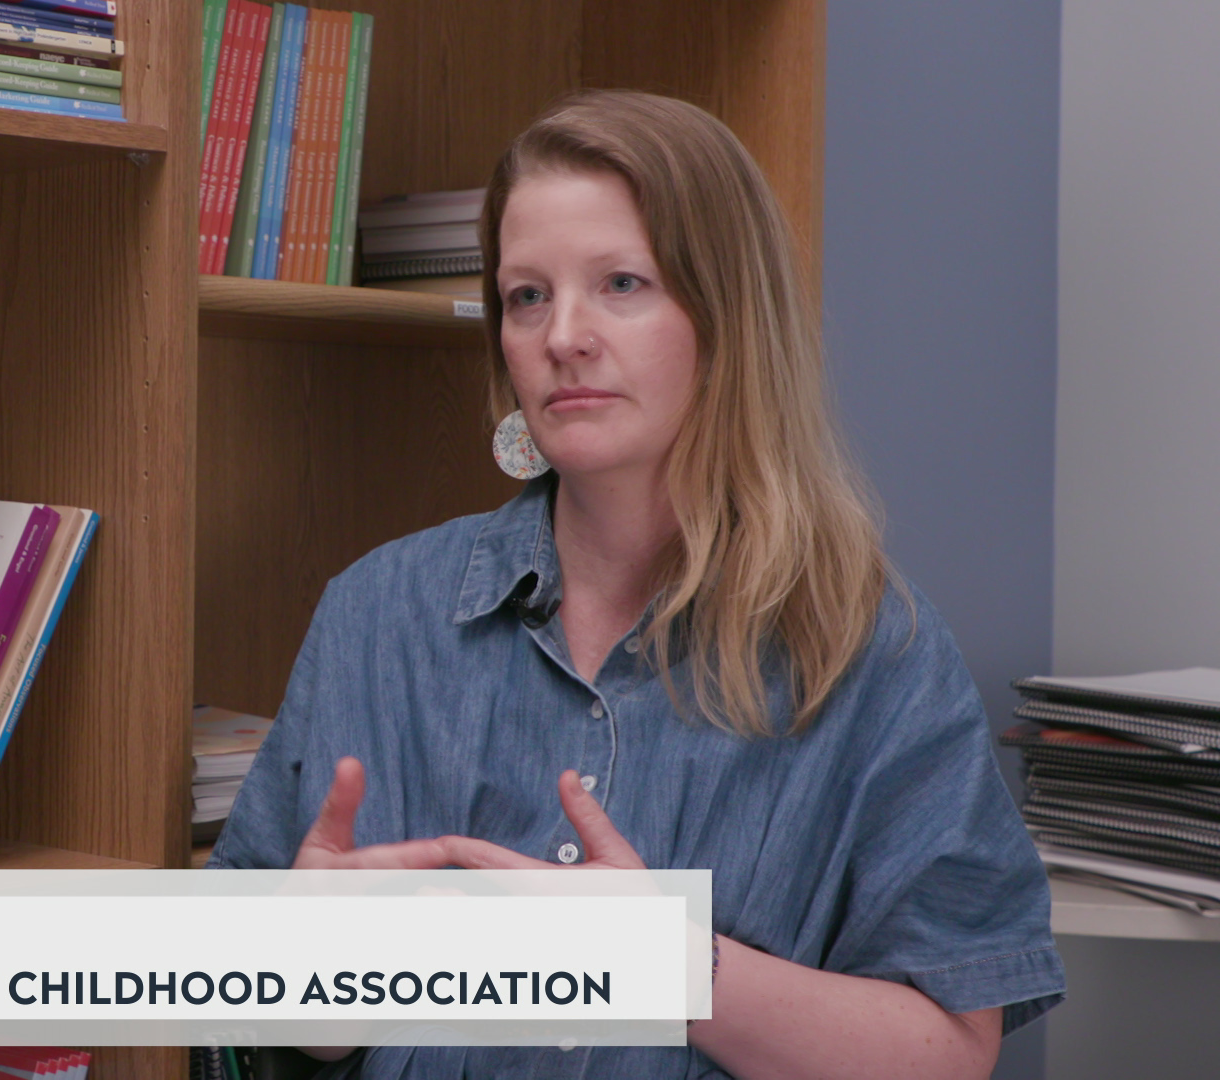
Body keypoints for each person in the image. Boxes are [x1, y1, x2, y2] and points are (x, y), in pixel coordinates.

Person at [206, 90, 1065, 1080]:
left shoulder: (872, 647)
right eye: (527, 296)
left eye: (620, 283)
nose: (562, 336)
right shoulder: (377, 611)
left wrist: (662, 959)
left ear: (727, 317)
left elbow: (950, 1052)